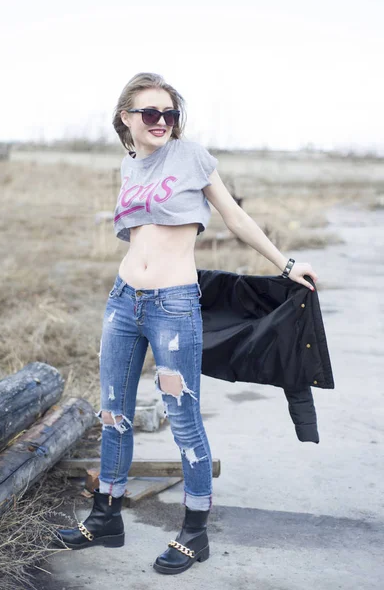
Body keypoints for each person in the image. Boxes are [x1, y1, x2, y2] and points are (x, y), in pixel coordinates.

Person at [54, 72, 318, 574]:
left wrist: (285, 265)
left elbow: (236, 219)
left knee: (183, 420)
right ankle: (106, 515)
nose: (161, 121)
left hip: (173, 306)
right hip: (122, 302)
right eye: (150, 113)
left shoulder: (192, 155)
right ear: (124, 118)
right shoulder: (129, 166)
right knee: (113, 413)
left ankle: (195, 531)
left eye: (169, 113)